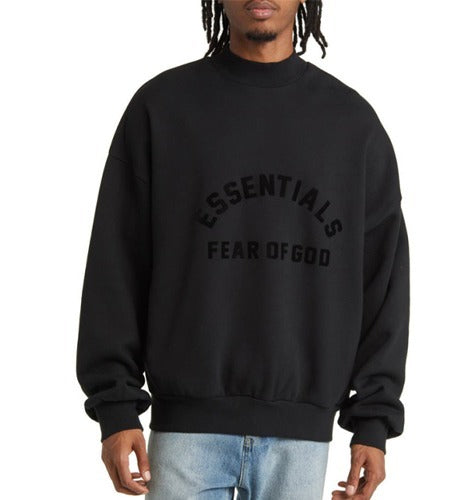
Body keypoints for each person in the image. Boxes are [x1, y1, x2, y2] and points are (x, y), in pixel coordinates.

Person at [76, 1, 411, 498]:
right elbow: (116, 262)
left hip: (301, 440)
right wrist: (116, 406)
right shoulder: (162, 108)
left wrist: (374, 421)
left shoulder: (352, 125)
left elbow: (384, 282)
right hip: (185, 433)